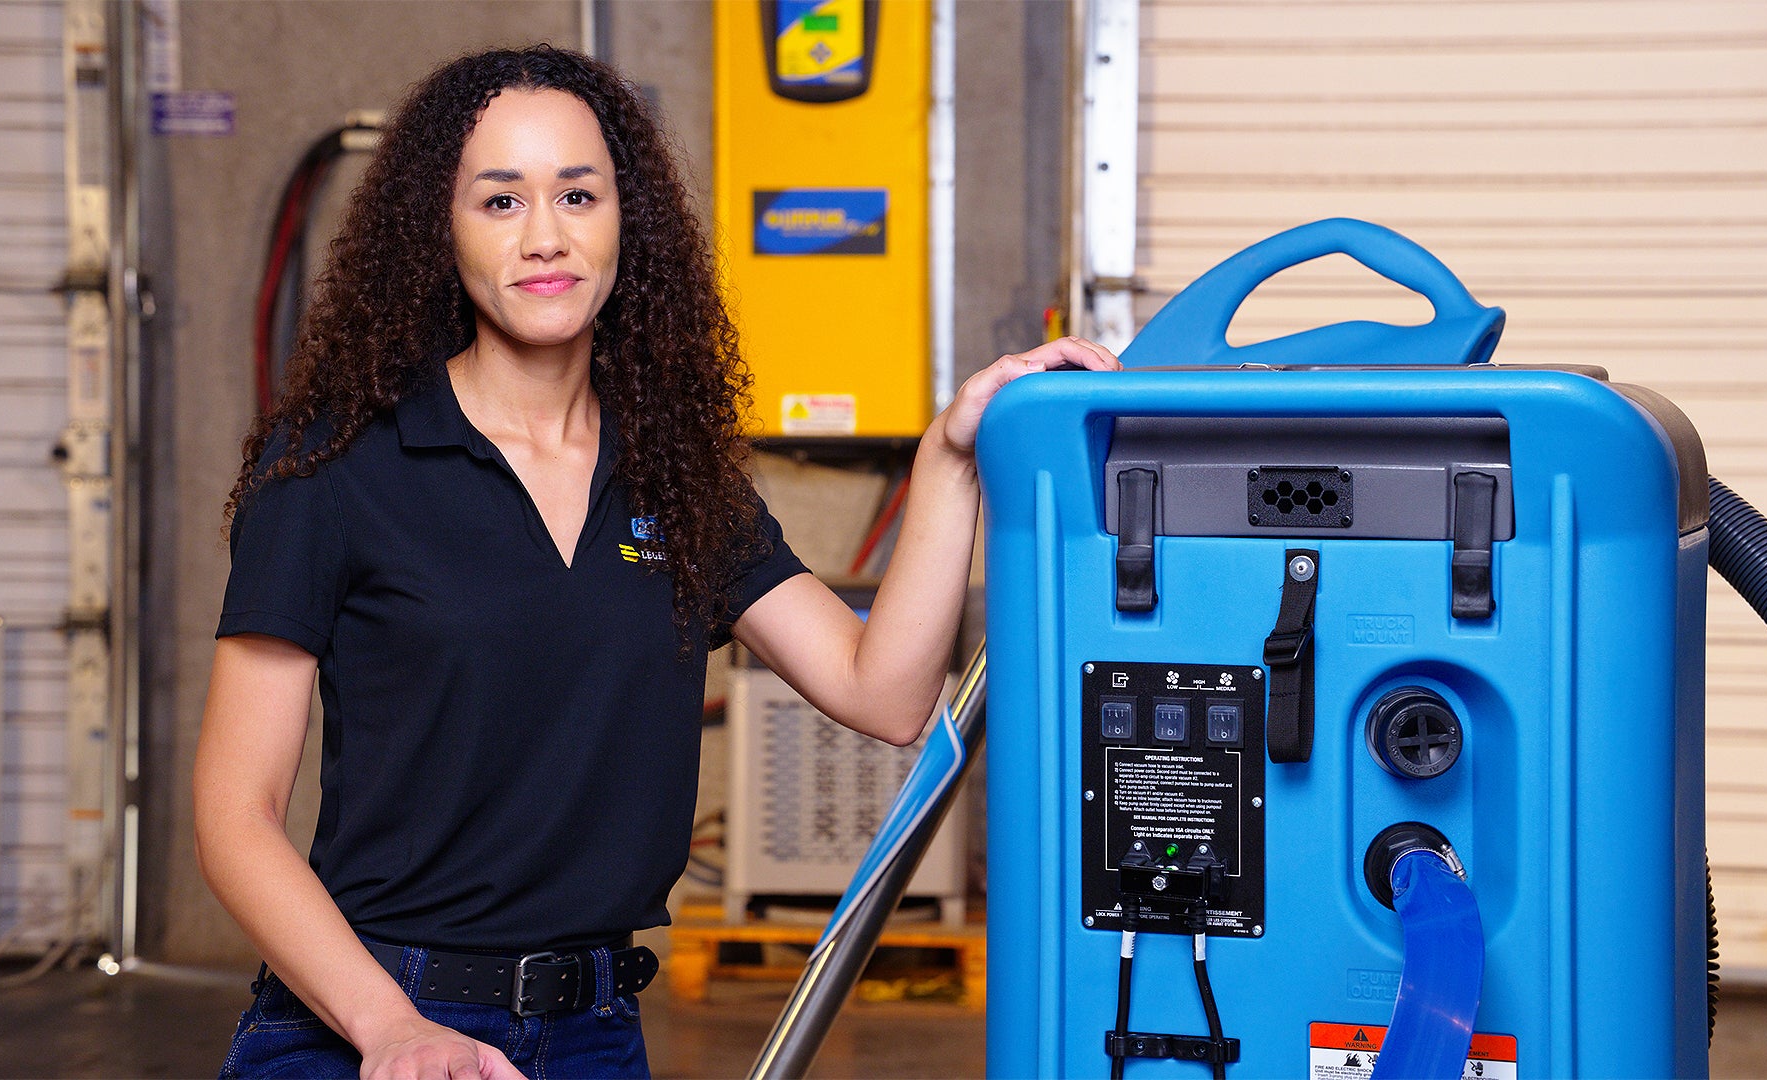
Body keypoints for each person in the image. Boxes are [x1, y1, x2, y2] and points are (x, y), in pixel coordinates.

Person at [194, 44, 1116, 1080]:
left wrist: (948, 456)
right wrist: (390, 1029)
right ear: (437, 231)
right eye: (500, 202)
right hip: (367, 1018)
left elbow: (888, 693)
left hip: (592, 1033)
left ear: (625, 218)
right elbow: (235, 817)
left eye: (577, 194)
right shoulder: (336, 464)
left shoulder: (672, 473)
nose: (546, 236)